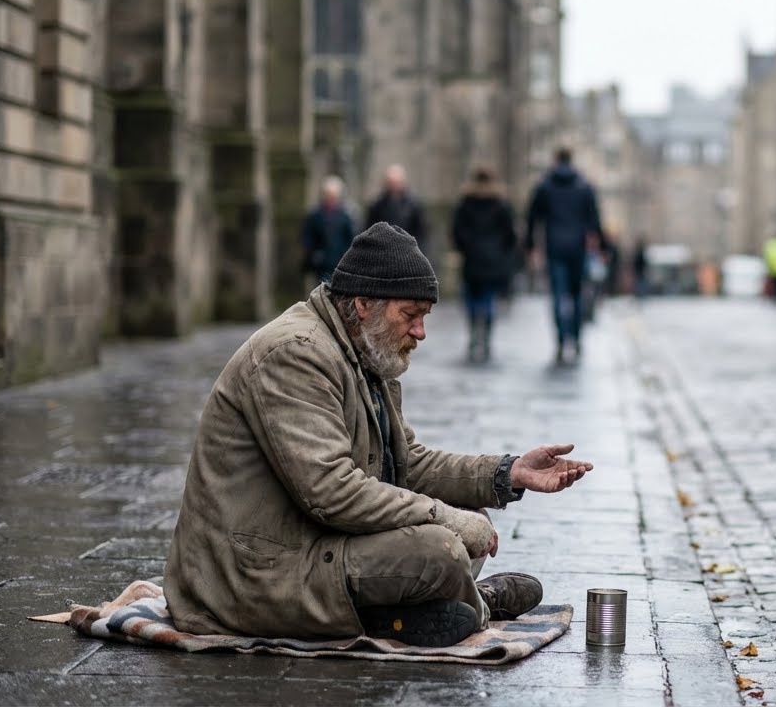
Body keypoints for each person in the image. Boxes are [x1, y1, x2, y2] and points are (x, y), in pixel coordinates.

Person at [164, 222, 593, 648]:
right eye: (410, 315)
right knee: (440, 547)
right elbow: (330, 490)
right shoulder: (293, 354)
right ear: (363, 303)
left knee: (473, 524)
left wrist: (508, 472)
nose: (421, 332)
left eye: (424, 317)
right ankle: (476, 605)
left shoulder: (366, 350)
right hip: (249, 580)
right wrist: (446, 519)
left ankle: (433, 606)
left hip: (316, 543)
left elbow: (408, 461)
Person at [525, 148, 602, 364]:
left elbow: (532, 217)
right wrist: (601, 246)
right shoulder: (584, 186)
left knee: (558, 296)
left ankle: (560, 341)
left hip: (554, 247)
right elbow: (595, 220)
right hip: (578, 248)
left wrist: (530, 245)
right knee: (577, 295)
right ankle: (576, 340)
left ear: (555, 160)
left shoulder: (545, 186)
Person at [451, 167, 520, 363]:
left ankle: (474, 335)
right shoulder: (501, 204)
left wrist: (466, 247)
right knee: (489, 299)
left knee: (472, 300)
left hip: (472, 259)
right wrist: (502, 251)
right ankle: (487, 338)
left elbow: (457, 231)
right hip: (493, 260)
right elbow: (511, 235)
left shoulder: (465, 203)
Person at [301, 176, 357, 284]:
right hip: (321, 262)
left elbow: (351, 237)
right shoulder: (315, 214)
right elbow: (308, 237)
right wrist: (312, 254)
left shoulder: (346, 215)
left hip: (340, 260)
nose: (331, 198)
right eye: (328, 195)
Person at [366, 164, 428, 252]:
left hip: (408, 251)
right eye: (390, 183)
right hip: (383, 251)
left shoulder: (414, 204)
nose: (393, 186)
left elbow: (421, 232)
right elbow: (369, 228)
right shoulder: (377, 204)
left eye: (396, 182)